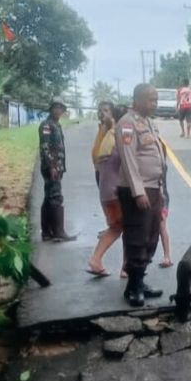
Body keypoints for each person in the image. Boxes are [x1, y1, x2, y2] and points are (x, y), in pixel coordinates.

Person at [116, 84, 168, 307]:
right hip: (137, 190)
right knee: (137, 236)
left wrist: (162, 190)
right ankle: (133, 287)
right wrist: (138, 192)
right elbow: (128, 159)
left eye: (156, 100)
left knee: (152, 234)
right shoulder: (127, 123)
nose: (154, 104)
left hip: (154, 187)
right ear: (136, 100)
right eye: (150, 100)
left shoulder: (149, 123)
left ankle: (139, 281)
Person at [88, 104, 125, 277]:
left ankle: (96, 259)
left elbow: (95, 159)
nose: (103, 115)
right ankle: (126, 267)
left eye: (106, 111)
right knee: (128, 228)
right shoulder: (118, 135)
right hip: (117, 192)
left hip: (105, 192)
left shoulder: (104, 138)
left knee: (116, 228)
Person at [39, 100, 77, 242]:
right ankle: (58, 231)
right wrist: (52, 166)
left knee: (49, 198)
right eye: (56, 108)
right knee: (55, 197)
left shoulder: (56, 125)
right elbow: (45, 147)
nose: (58, 111)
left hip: (57, 166)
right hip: (51, 167)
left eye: (61, 108)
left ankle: (47, 232)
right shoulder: (47, 125)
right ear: (51, 109)